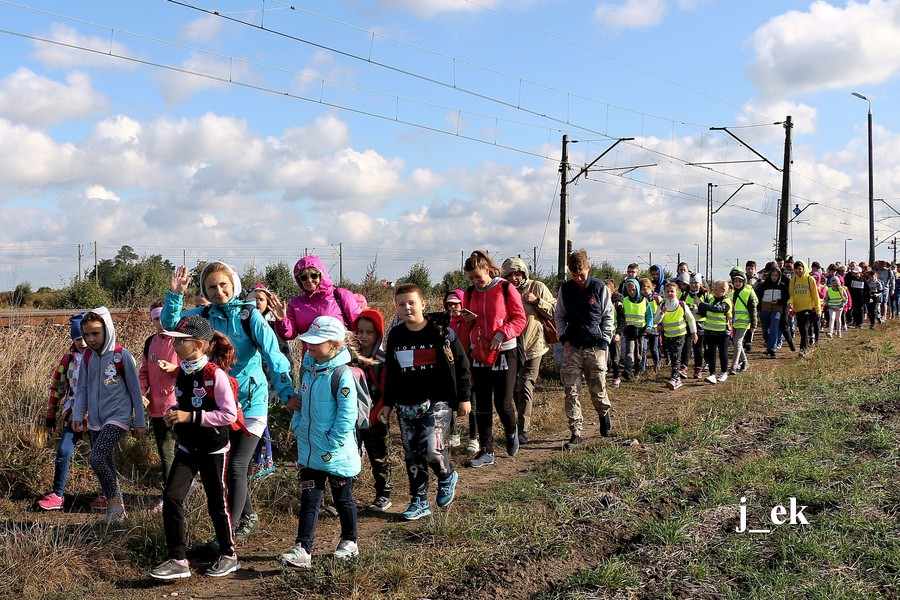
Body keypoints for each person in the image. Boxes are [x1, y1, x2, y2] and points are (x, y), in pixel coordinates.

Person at [163, 263, 296, 547]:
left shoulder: (250, 315)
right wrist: (175, 295)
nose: (219, 291)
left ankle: (228, 536)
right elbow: (172, 326)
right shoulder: (204, 316)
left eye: (223, 284)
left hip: (251, 402)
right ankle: (247, 516)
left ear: (234, 284)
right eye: (211, 286)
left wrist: (287, 393)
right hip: (219, 405)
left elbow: (274, 355)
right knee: (230, 468)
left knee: (236, 465)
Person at [150, 315, 241, 580]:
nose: (174, 345)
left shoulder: (216, 375)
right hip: (188, 447)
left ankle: (229, 555)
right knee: (172, 497)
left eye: (180, 341)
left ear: (199, 345)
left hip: (213, 449)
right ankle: (178, 560)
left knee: (217, 502)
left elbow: (229, 415)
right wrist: (174, 412)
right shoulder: (181, 372)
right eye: (174, 340)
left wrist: (189, 417)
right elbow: (187, 403)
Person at [379, 284, 472, 520]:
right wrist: (388, 403)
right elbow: (392, 373)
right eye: (401, 304)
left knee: (432, 448)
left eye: (411, 302)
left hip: (438, 400)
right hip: (406, 403)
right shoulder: (396, 336)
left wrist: (464, 397)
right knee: (412, 454)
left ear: (423, 304)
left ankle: (447, 475)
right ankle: (419, 500)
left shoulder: (441, 332)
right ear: (396, 307)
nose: (407, 308)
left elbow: (462, 365)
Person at [279, 316, 361, 568]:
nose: (310, 346)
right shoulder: (307, 370)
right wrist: (298, 427)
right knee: (309, 499)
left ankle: (350, 540)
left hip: (335, 452)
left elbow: (347, 415)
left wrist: (332, 442)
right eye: (309, 341)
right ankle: (303, 548)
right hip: (309, 450)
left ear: (334, 345)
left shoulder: (342, 375)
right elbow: (301, 403)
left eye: (317, 342)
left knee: (342, 498)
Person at [70, 307, 146, 523]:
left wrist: (139, 421)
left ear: (107, 330)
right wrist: (78, 414)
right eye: (86, 334)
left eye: (95, 333)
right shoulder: (87, 356)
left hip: (118, 417)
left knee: (96, 457)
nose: (90, 339)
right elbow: (82, 388)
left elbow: (135, 391)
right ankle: (119, 513)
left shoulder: (121, 355)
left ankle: (112, 503)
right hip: (95, 419)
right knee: (107, 462)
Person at [460, 251, 527, 468]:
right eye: (471, 278)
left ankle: (511, 431)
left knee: (502, 402)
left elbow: (520, 319)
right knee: (482, 403)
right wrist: (466, 322)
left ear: (488, 270)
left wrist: (502, 333)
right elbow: (466, 326)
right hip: (479, 351)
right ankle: (486, 450)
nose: (475, 282)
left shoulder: (505, 288)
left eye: (477, 277)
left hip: (505, 351)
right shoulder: (470, 293)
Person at [38, 313, 101, 511]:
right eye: (78, 338)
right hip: (73, 413)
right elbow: (57, 389)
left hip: (97, 413)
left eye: (86, 337)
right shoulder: (68, 360)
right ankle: (58, 494)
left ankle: (108, 493)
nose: (83, 342)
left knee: (100, 454)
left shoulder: (101, 357)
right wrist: (50, 417)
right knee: (63, 451)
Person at [555, 249, 614, 449]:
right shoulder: (565, 289)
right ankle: (576, 431)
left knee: (597, 389)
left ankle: (603, 414)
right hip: (572, 346)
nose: (578, 279)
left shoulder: (599, 287)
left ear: (588, 268)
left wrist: (604, 342)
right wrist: (563, 338)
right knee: (571, 391)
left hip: (595, 346)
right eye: (574, 275)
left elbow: (608, 315)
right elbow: (559, 315)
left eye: (581, 274)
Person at [501, 257, 556, 445]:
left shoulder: (537, 287)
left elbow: (554, 310)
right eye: (509, 275)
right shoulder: (503, 291)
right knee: (514, 388)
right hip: (511, 348)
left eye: (517, 274)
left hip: (534, 346)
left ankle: (523, 430)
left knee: (525, 385)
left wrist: (537, 301)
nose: (514, 278)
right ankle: (517, 423)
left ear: (524, 273)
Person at [249, 283, 295, 482]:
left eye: (261, 299)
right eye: (252, 298)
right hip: (251, 381)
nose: (256, 302)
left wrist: (286, 380)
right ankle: (256, 462)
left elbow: (283, 354)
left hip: (271, 380)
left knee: (262, 420)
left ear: (268, 303)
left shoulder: (273, 325)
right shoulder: (243, 323)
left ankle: (264, 463)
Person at [350, 309, 393, 512]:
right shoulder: (348, 358)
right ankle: (345, 496)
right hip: (351, 416)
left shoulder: (382, 361)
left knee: (379, 456)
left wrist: (375, 415)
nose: (364, 336)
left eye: (369, 332)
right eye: (360, 331)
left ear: (378, 334)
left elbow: (387, 392)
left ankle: (383, 494)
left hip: (376, 416)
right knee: (350, 455)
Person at [139, 300, 180, 510]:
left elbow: (192, 370)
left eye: (164, 317)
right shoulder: (150, 342)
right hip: (156, 406)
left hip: (179, 406)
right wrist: (140, 392)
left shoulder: (181, 340)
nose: (161, 322)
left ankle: (171, 495)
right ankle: (176, 491)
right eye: (156, 318)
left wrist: (174, 368)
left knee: (170, 450)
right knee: (165, 451)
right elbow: (144, 371)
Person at [273, 255, 362, 341]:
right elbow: (289, 334)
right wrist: (282, 320)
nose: (309, 280)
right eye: (303, 277)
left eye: (313, 275)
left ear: (321, 275)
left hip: (340, 350)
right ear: (299, 280)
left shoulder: (340, 295)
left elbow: (360, 325)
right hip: (310, 351)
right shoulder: (296, 304)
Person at [443, 289, 477, 452]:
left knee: (472, 402)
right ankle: (454, 432)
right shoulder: (445, 323)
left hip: (469, 365)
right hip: (451, 367)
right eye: (449, 304)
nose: (452, 307)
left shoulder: (470, 320)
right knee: (450, 401)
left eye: (456, 304)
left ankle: (474, 437)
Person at [655, 282, 697, 390]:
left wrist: (693, 332)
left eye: (672, 291)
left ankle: (674, 379)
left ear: (677, 292)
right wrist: (661, 313)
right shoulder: (662, 305)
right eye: (667, 291)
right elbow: (656, 321)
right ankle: (677, 377)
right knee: (672, 357)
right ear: (664, 293)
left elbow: (690, 319)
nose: (669, 293)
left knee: (676, 356)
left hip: (680, 335)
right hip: (668, 335)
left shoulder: (682, 304)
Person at [619, 278, 653, 381]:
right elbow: (621, 315)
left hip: (641, 331)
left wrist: (649, 327)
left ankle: (638, 371)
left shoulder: (644, 301)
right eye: (629, 290)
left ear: (637, 289)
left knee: (639, 353)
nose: (631, 292)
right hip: (629, 331)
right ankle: (628, 371)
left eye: (633, 290)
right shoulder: (624, 301)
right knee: (629, 351)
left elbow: (649, 316)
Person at [698, 280, 732, 384]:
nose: (714, 291)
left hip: (722, 332)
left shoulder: (727, 301)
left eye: (716, 290)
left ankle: (724, 372)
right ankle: (712, 374)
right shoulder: (712, 299)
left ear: (723, 290)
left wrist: (701, 303)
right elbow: (706, 312)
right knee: (711, 353)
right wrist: (699, 307)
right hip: (710, 331)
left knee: (723, 353)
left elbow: (718, 309)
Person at [788, 260, 822, 357]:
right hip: (798, 309)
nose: (798, 271)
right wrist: (790, 303)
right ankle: (805, 346)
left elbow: (815, 296)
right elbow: (791, 295)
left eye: (800, 268)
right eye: (796, 269)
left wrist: (818, 310)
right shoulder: (793, 280)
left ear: (804, 268)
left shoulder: (810, 279)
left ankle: (803, 349)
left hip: (808, 308)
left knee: (805, 328)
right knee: (801, 329)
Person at [755, 262, 789, 358]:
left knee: (774, 328)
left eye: (776, 275)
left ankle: (772, 349)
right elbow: (758, 297)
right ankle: (769, 345)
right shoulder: (764, 285)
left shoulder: (782, 286)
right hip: (765, 310)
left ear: (779, 276)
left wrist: (779, 301)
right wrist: (759, 309)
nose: (774, 277)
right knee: (765, 331)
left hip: (777, 310)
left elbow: (786, 297)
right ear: (770, 275)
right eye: (773, 275)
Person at [729, 268, 758, 374]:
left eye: (740, 281)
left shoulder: (749, 291)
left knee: (737, 342)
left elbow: (753, 309)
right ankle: (745, 362)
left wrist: (754, 325)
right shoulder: (730, 291)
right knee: (736, 343)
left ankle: (734, 366)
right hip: (733, 322)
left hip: (744, 322)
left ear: (744, 281)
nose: (737, 283)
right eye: (735, 281)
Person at [683, 273, 712, 378]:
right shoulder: (685, 294)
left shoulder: (706, 295)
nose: (693, 285)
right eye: (691, 283)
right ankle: (683, 367)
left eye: (696, 282)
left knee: (698, 347)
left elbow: (710, 309)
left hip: (701, 324)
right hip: (687, 323)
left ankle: (698, 369)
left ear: (700, 283)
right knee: (686, 346)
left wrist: (697, 309)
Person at [605, 279, 625, 389]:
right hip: (603, 334)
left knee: (615, 357)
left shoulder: (617, 304)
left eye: (607, 291)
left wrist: (618, 333)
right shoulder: (599, 303)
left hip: (614, 335)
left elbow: (621, 320)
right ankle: (603, 376)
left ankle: (616, 377)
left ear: (612, 291)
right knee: (603, 357)